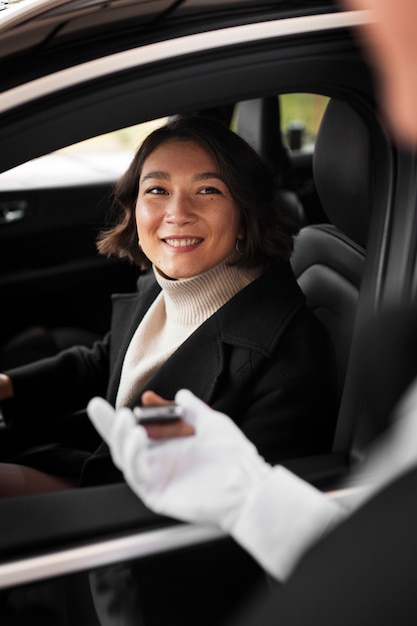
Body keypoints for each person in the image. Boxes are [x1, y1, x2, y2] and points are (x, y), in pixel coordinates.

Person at [0, 115, 337, 496]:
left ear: (244, 216)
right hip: (100, 462)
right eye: (157, 190)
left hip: (132, 517)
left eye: (208, 190)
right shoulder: (161, 286)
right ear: (134, 206)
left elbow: (243, 502)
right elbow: (108, 361)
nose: (177, 213)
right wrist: (9, 387)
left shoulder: (288, 358)